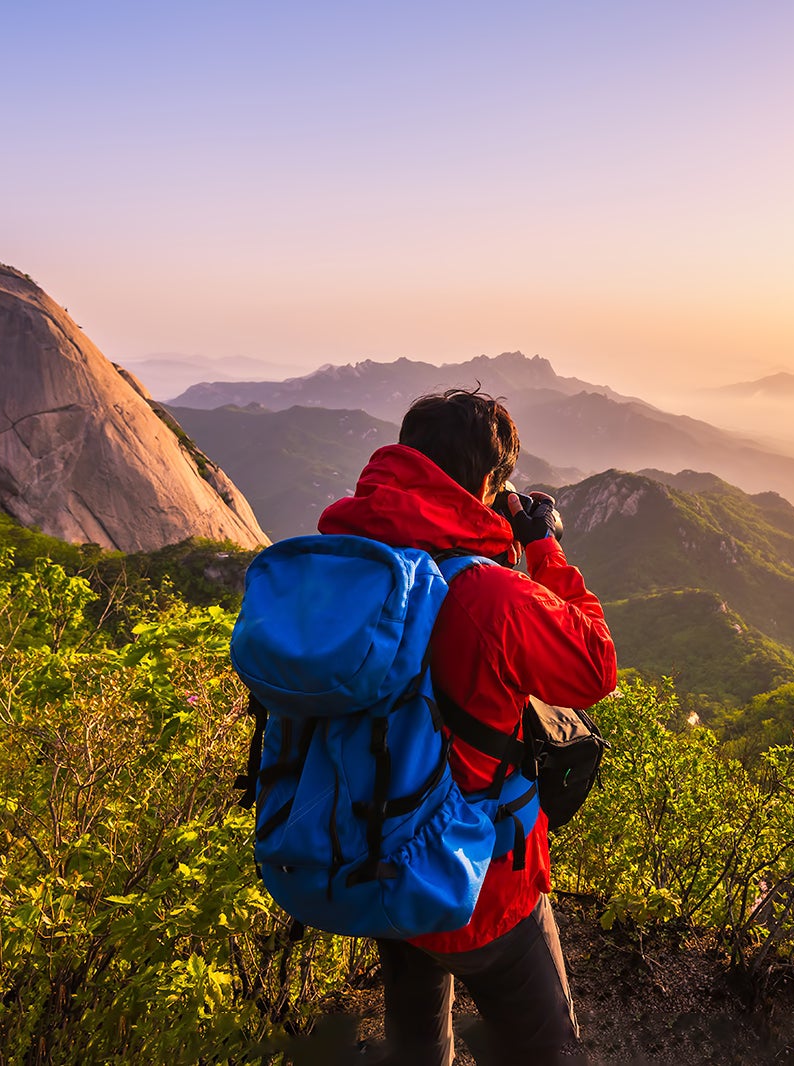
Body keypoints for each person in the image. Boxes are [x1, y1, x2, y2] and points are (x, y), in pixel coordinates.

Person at [316, 388, 616, 1066]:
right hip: (483, 885)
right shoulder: (491, 595)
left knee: (418, 1044)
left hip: (378, 857)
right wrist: (540, 548)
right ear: (488, 483)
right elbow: (596, 666)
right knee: (546, 1051)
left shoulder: (347, 562)